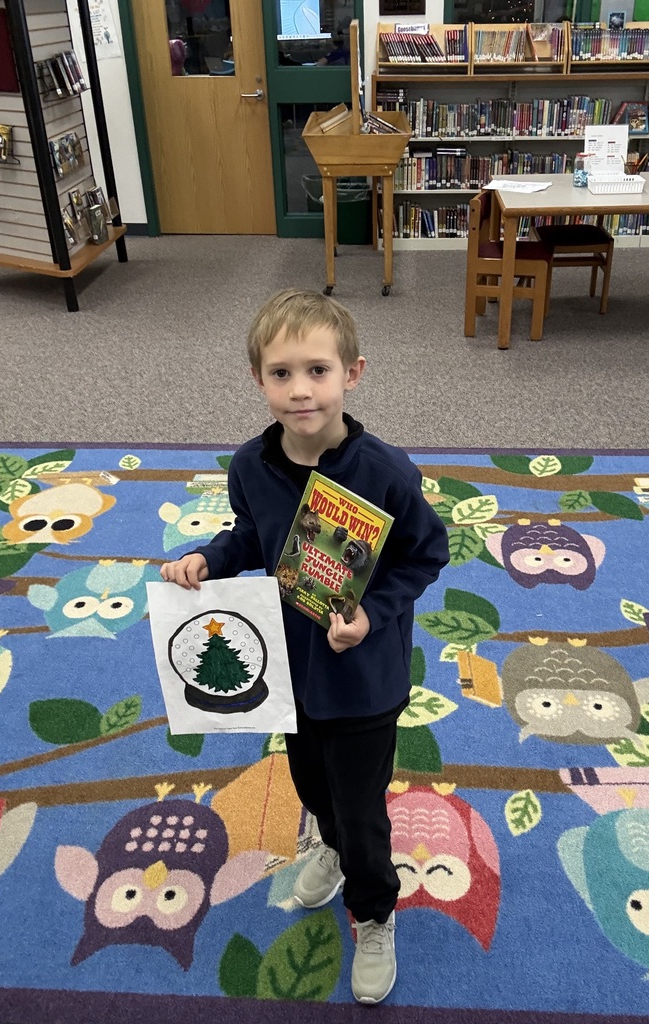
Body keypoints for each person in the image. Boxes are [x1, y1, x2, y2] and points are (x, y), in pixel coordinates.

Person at [161, 288, 449, 1004]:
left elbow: (424, 555)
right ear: (258, 379)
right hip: (287, 672)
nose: (300, 390)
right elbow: (253, 534)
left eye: (317, 370)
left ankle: (374, 911)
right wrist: (210, 560)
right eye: (281, 373)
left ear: (353, 373)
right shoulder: (250, 466)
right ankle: (327, 847)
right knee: (312, 788)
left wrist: (372, 615)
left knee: (361, 809)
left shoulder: (385, 471)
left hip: (362, 678)